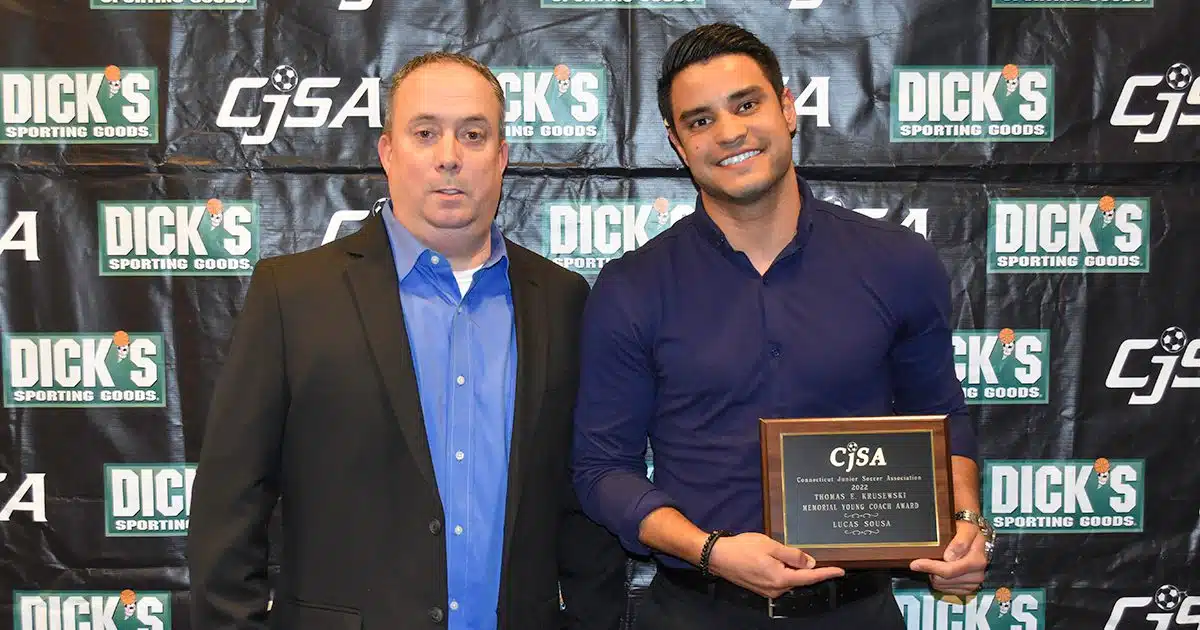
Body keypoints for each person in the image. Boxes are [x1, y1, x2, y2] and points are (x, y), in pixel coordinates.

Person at [571, 23, 993, 630]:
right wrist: (711, 551)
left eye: (746, 104)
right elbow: (600, 469)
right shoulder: (632, 287)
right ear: (677, 142)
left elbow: (944, 419)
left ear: (787, 108)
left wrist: (966, 528)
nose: (730, 132)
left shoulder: (899, 262)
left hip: (858, 612)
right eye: (700, 120)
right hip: (696, 610)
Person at [187, 51, 628, 630]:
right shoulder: (292, 294)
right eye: (425, 133)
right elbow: (229, 505)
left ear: (501, 158)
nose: (449, 157)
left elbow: (582, 505)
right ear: (388, 153)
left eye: (473, 135)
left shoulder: (563, 299)